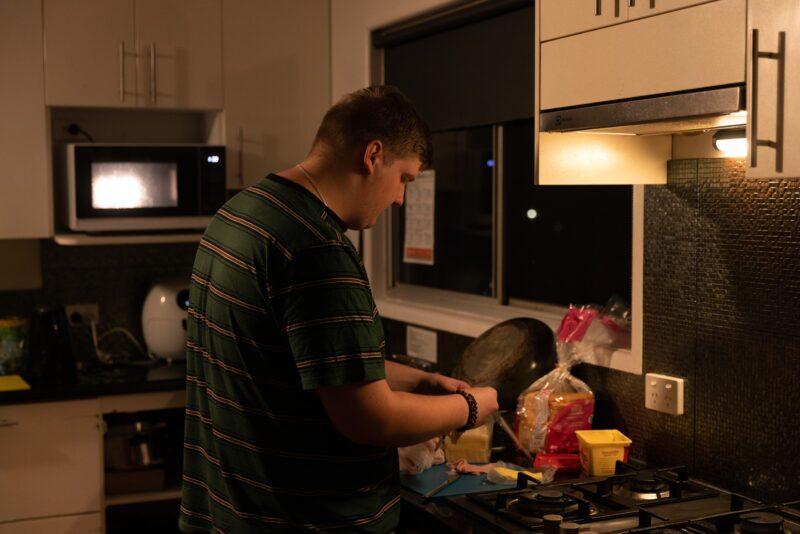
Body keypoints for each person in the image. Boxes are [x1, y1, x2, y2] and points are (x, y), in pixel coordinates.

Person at [179, 85, 499, 533]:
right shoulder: (319, 251)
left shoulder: (240, 214)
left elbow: (310, 365)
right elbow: (370, 418)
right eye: (404, 179)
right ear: (373, 155)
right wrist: (470, 406)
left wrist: (424, 382)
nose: (400, 199)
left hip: (227, 512)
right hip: (302, 520)